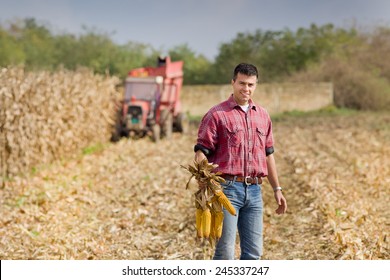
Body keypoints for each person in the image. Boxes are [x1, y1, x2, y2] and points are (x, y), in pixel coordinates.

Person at [194, 63, 287, 260]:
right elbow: (201, 151)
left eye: (251, 84)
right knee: (225, 252)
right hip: (226, 190)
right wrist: (204, 179)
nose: (246, 89)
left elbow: (268, 154)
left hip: (254, 191)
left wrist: (277, 189)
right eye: (242, 83)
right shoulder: (216, 115)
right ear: (233, 83)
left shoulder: (263, 115)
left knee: (254, 254)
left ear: (256, 85)